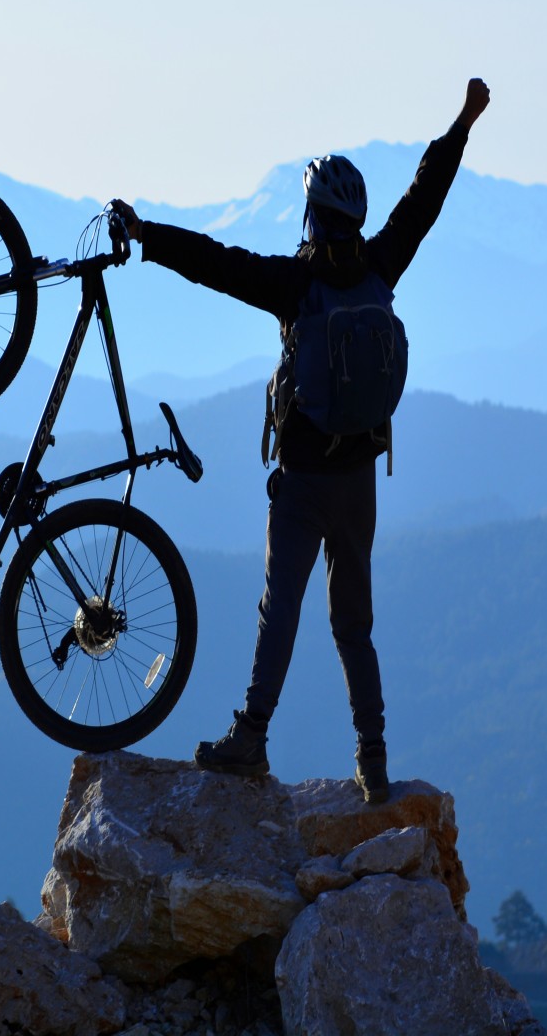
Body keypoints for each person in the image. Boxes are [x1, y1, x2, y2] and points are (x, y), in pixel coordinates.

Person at [115, 77, 492, 803]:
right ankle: (374, 762)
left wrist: (147, 236)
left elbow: (215, 263)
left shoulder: (296, 285)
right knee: (355, 625)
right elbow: (426, 196)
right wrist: (464, 122)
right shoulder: (384, 263)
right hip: (359, 484)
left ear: (314, 218)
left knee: (278, 609)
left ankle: (251, 738)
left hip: (302, 484)